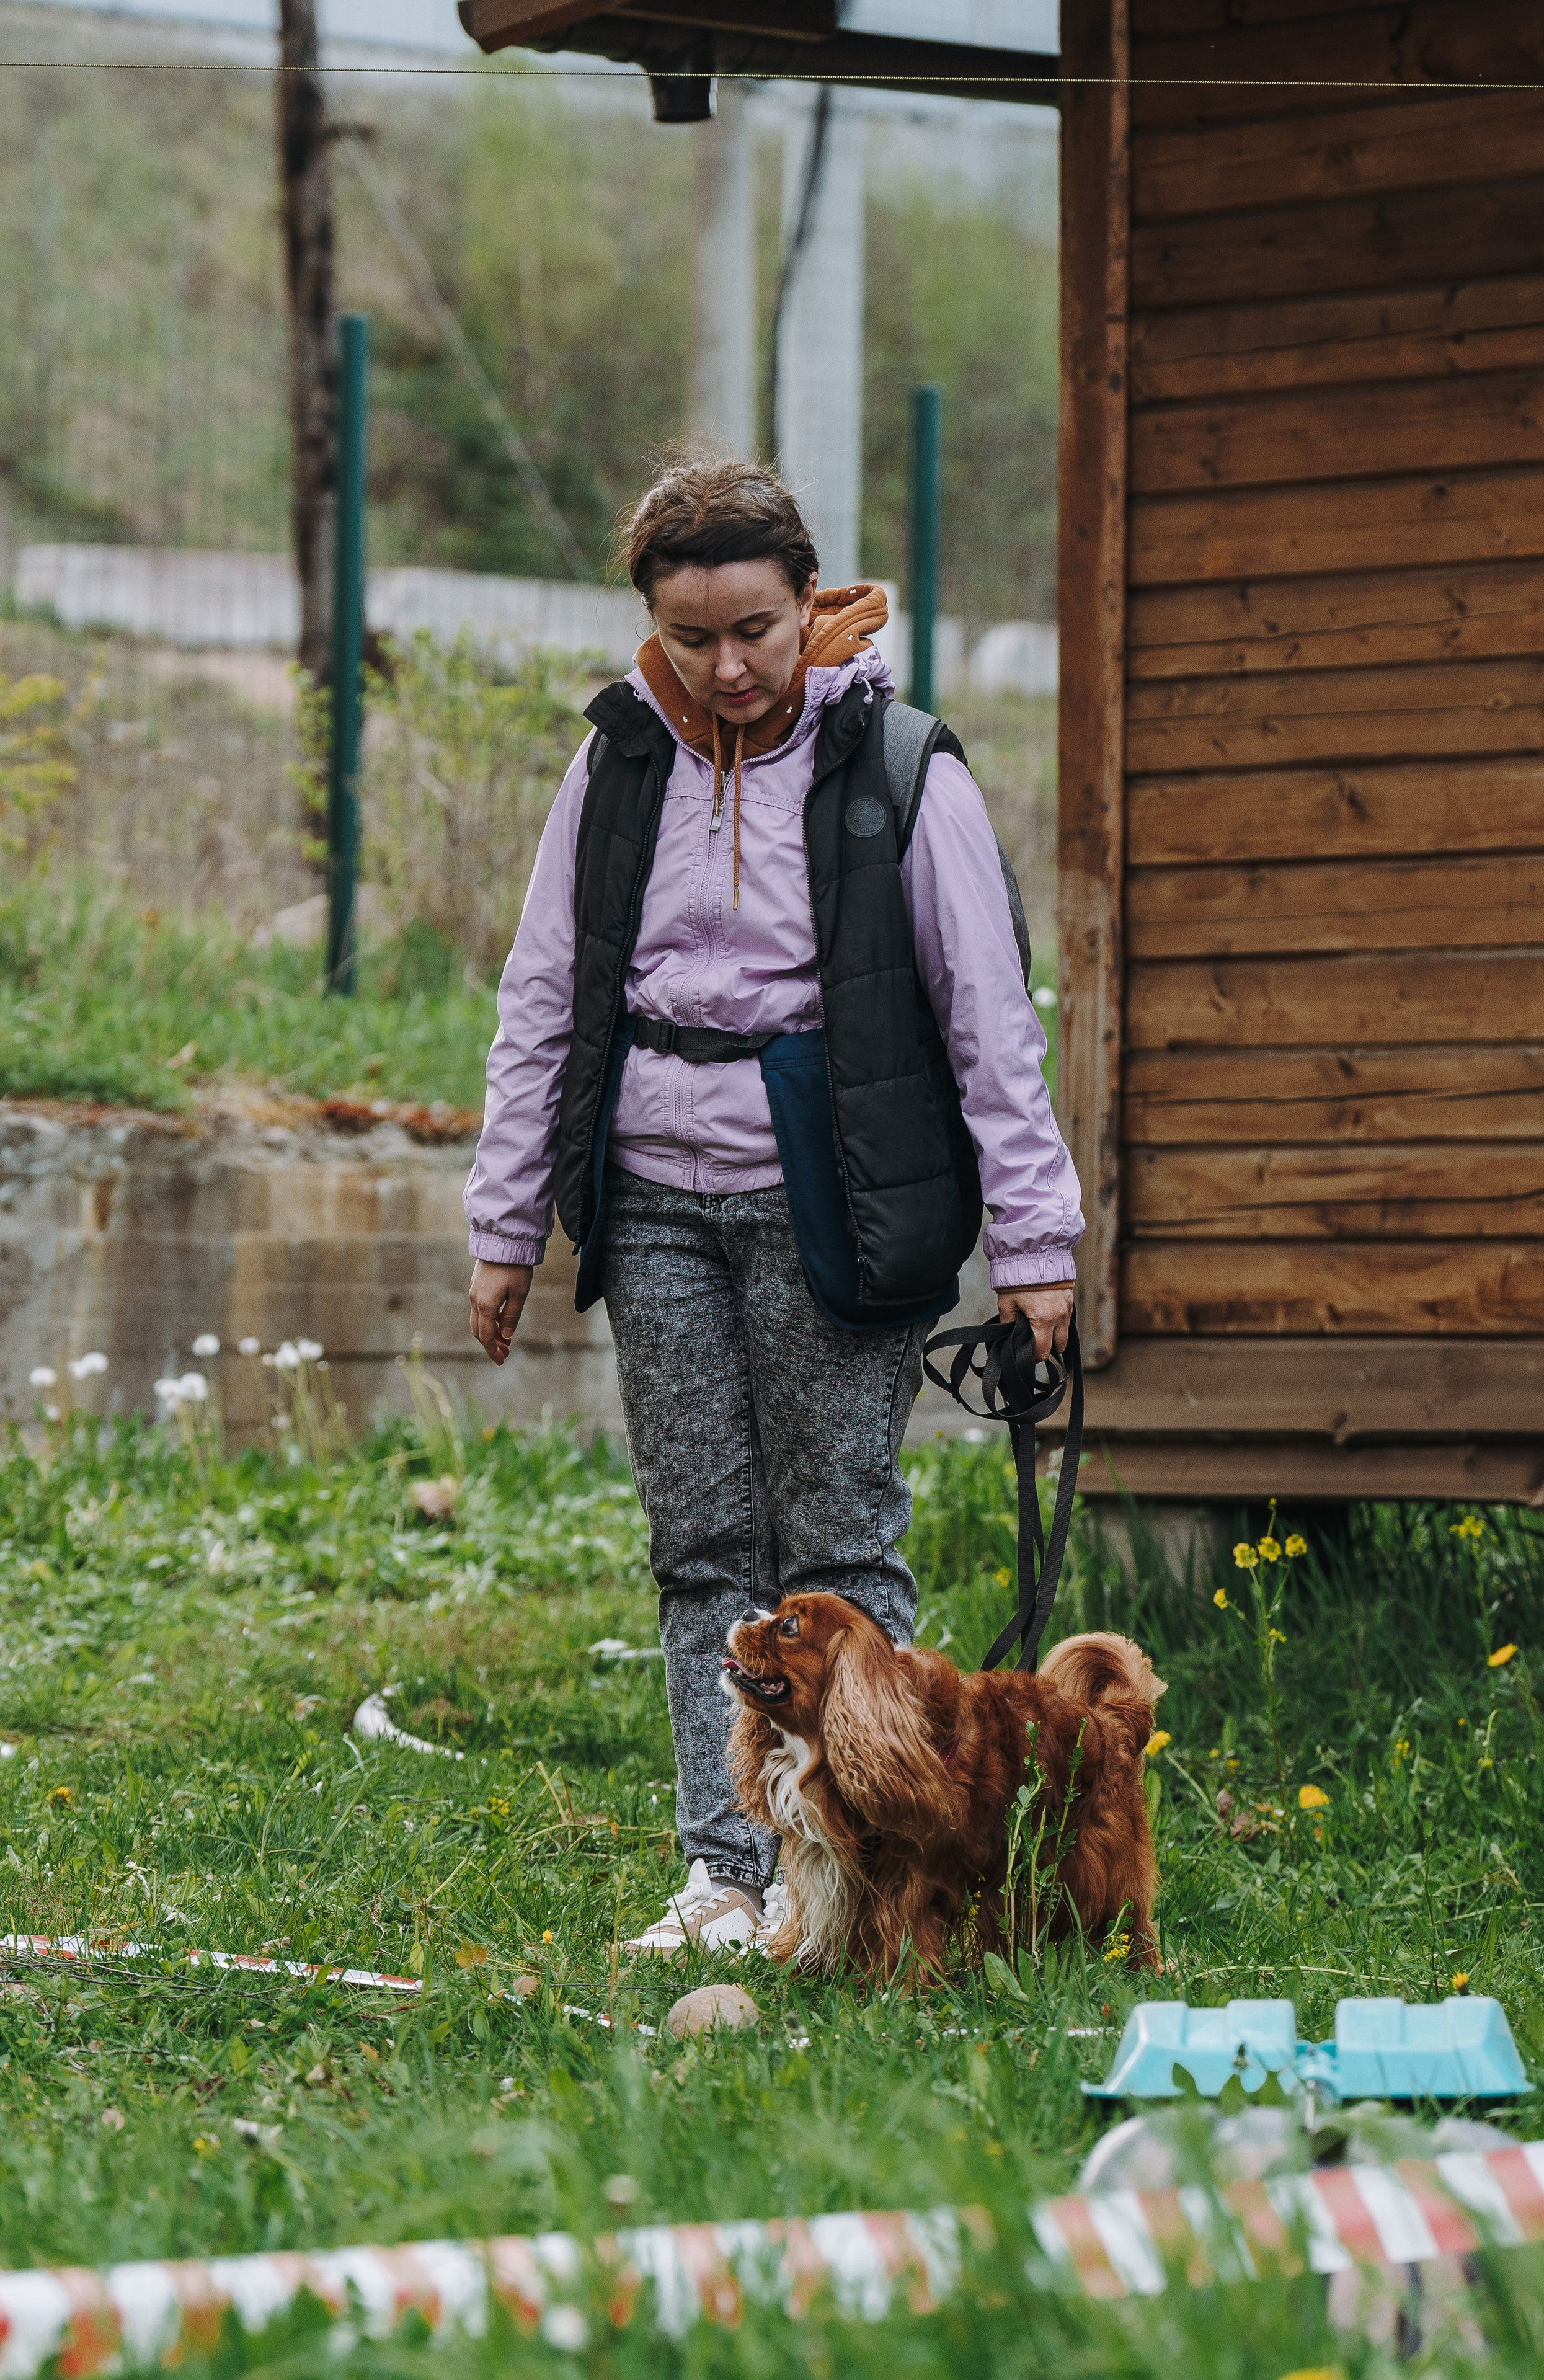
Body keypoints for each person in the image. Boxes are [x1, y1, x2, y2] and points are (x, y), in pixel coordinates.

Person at [464, 459, 1083, 1955]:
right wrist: (504, 1219)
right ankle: (726, 1871)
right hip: (654, 1194)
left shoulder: (900, 766)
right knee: (701, 1547)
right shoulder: (612, 765)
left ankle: (872, 1858)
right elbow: (541, 991)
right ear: (651, 626)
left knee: (837, 1546)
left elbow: (985, 1013)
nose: (728, 667)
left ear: (810, 599)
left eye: (753, 627)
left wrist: (1035, 1240)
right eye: (692, 638)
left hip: (837, 1193)